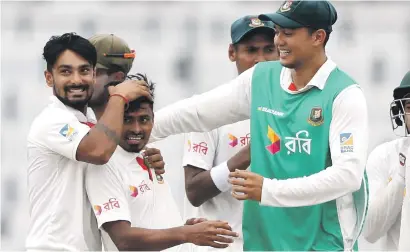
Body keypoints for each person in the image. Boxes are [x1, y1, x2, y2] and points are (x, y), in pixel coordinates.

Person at [148, 1, 369, 251]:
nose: (279, 42)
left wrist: (268, 190)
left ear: (318, 37)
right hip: (263, 243)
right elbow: (197, 112)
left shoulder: (345, 95)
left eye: (288, 33)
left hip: (322, 244)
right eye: (277, 32)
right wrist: (134, 134)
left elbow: (348, 176)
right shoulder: (261, 78)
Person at [25, 32, 152, 251]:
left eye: (84, 70)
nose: (76, 80)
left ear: (94, 74)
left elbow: (112, 155)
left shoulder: (89, 122)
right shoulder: (52, 120)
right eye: (66, 71)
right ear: (49, 77)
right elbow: (99, 151)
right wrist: (119, 97)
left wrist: (146, 160)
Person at [86, 74, 239, 251]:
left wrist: (185, 228)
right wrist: (185, 234)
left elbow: (150, 222)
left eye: (143, 119)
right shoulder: (103, 165)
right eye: (127, 120)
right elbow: (123, 240)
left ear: (153, 118)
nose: (136, 129)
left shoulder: (147, 156)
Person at [182, 15, 277, 252]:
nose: (260, 60)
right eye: (251, 50)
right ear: (232, 53)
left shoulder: (295, 111)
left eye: (269, 50)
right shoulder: (209, 111)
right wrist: (247, 155)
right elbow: (194, 191)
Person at [362, 71, 410, 250]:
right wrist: (400, 177)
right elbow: (370, 231)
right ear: (400, 113)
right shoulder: (385, 156)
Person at [88, 34, 135, 119]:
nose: (80, 79)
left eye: (94, 73)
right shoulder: (62, 115)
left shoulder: (136, 124)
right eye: (83, 70)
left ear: (118, 77)